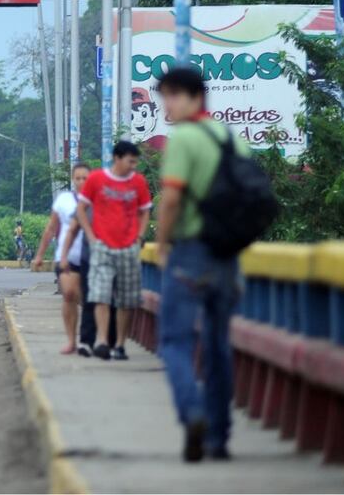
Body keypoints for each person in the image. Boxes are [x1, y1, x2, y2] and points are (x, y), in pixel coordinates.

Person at [154, 67, 248, 462]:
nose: (167, 106)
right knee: (217, 346)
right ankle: (219, 436)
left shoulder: (185, 140)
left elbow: (172, 199)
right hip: (227, 256)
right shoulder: (232, 139)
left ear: (195, 97)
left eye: (173, 96)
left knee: (175, 340)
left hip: (191, 253)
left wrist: (161, 243)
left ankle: (193, 413)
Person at [64, 140, 152, 361]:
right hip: (102, 247)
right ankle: (102, 340)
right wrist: (92, 237)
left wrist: (139, 237)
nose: (133, 166)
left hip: (128, 248)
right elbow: (81, 210)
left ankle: (120, 344)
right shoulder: (97, 180)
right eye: (130, 161)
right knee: (100, 295)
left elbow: (145, 212)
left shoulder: (138, 182)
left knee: (125, 300)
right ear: (117, 158)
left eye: (135, 162)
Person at [33, 163, 91, 354]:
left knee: (88, 300)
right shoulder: (64, 200)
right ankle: (71, 340)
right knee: (69, 294)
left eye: (85, 178)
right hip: (66, 257)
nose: (81, 182)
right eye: (78, 178)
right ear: (73, 180)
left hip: (91, 256)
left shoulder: (97, 199)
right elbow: (51, 228)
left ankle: (88, 339)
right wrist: (40, 255)